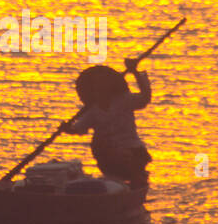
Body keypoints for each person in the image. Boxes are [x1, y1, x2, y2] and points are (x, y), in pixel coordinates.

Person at [61, 58, 152, 189]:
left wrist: (135, 72)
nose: (99, 89)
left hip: (133, 152)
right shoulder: (93, 111)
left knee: (124, 156)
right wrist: (67, 129)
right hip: (109, 156)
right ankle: (116, 180)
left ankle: (136, 178)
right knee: (100, 143)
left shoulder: (124, 100)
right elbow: (79, 129)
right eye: (95, 86)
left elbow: (145, 98)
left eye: (102, 85)